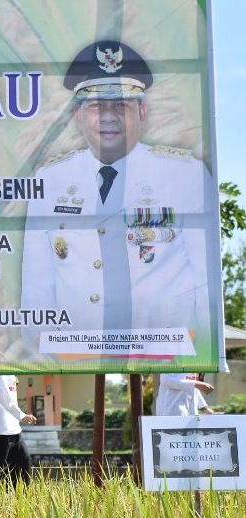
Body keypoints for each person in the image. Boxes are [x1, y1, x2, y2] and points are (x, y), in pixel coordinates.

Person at [21, 40, 212, 345]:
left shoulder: (184, 175)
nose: (109, 116)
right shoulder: (50, 180)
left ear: (143, 112)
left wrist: (202, 352)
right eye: (97, 106)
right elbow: (36, 289)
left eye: (122, 105)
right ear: (78, 115)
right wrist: (45, 352)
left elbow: (206, 282)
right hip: (75, 350)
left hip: (167, 348)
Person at [0, 375, 36, 488]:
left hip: (13, 428)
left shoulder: (10, 368)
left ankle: (18, 502)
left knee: (23, 463)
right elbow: (2, 394)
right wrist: (22, 415)